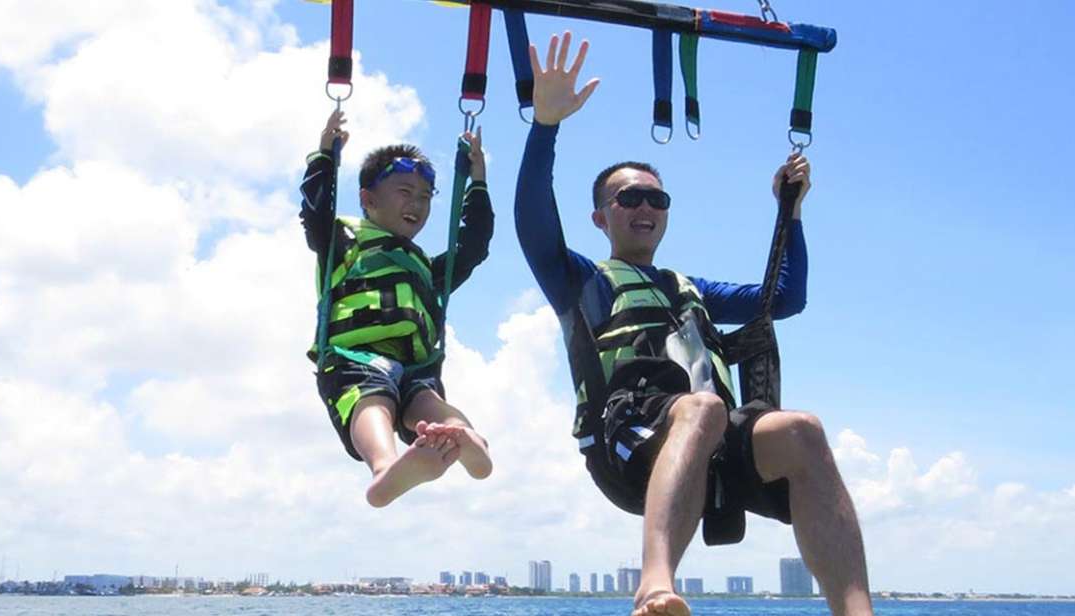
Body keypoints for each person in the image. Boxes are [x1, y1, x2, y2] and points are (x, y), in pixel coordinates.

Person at [514, 32, 874, 616]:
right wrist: (546, 125)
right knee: (700, 407)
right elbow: (532, 222)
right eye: (630, 198)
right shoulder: (582, 280)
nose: (646, 209)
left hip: (713, 449)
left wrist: (793, 211)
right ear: (601, 217)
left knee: (803, 429)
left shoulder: (691, 290)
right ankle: (655, 587)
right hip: (627, 444)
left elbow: (784, 299)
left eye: (658, 201)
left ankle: (856, 611)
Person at [300, 110, 494, 507]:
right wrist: (324, 157)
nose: (417, 204)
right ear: (369, 200)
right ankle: (386, 467)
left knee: (427, 404)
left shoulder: (425, 270)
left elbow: (472, 248)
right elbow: (315, 209)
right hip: (353, 359)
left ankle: (464, 438)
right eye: (404, 192)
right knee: (372, 400)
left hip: (415, 368)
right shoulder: (342, 240)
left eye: (425, 197)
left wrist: (478, 182)